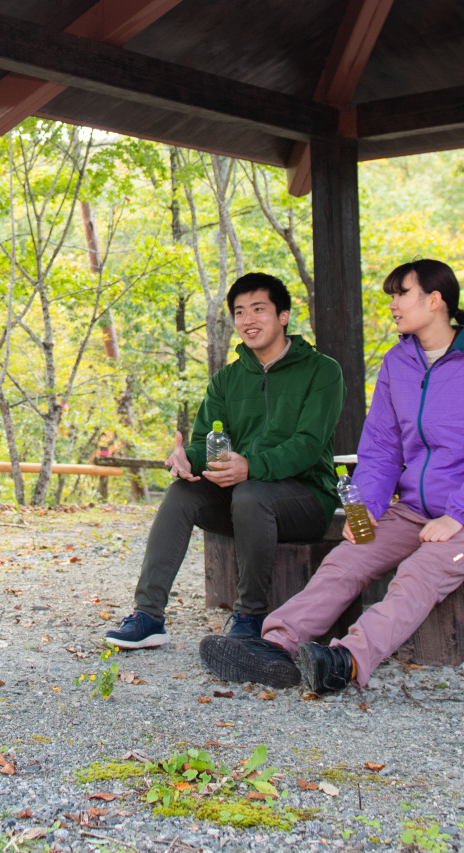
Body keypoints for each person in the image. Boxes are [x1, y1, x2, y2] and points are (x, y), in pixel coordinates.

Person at [198, 259, 464, 692]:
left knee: (418, 574)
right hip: (412, 511)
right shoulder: (398, 364)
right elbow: (382, 449)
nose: (392, 305)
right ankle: (275, 646)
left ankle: (346, 662)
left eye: (400, 294)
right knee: (347, 558)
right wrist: (363, 511)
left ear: (435, 299)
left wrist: (456, 515)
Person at [104, 272, 343, 649]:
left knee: (251, 494)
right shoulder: (227, 379)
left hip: (306, 499)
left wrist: (251, 467)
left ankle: (250, 615)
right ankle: (148, 615)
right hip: (242, 499)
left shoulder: (322, 371)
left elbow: (309, 445)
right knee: (182, 493)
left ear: (283, 315)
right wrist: (187, 458)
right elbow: (208, 445)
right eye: (240, 312)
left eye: (259, 309)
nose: (248, 320)